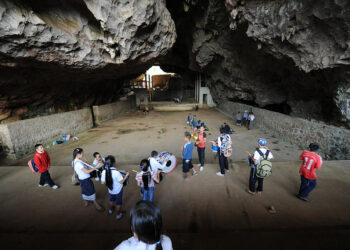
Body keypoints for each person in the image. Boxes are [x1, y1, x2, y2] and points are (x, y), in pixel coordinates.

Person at [101, 155, 129, 219]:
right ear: (113, 163)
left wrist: (108, 181)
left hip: (110, 189)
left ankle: (110, 210)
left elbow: (102, 182)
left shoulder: (104, 171)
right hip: (118, 190)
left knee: (111, 199)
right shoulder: (116, 173)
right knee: (118, 202)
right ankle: (118, 215)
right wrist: (126, 175)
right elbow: (121, 182)